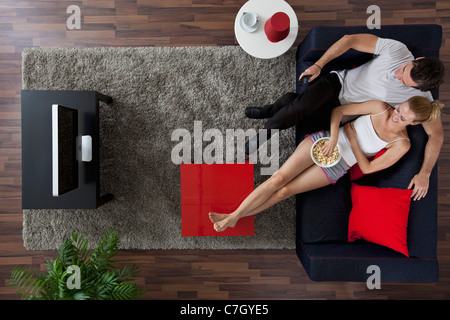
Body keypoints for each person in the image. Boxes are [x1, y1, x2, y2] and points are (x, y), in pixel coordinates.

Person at [245, 34, 445, 201]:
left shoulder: (420, 102)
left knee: (295, 107)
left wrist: (425, 173)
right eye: (403, 70)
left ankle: (270, 109)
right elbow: (350, 40)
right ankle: (259, 138)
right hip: (337, 85)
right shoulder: (398, 51)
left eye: (404, 81)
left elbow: (436, 136)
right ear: (417, 60)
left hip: (346, 112)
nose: (397, 75)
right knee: (298, 109)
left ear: (419, 90)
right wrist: (319, 65)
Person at [212, 96, 443, 232]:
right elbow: (339, 111)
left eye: (403, 118)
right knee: (278, 179)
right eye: (400, 109)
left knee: (284, 191)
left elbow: (368, 168)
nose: (396, 116)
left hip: (340, 164)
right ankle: (234, 216)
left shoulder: (401, 145)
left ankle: (235, 217)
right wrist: (335, 138)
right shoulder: (380, 107)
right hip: (324, 142)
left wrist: (352, 141)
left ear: (414, 124)